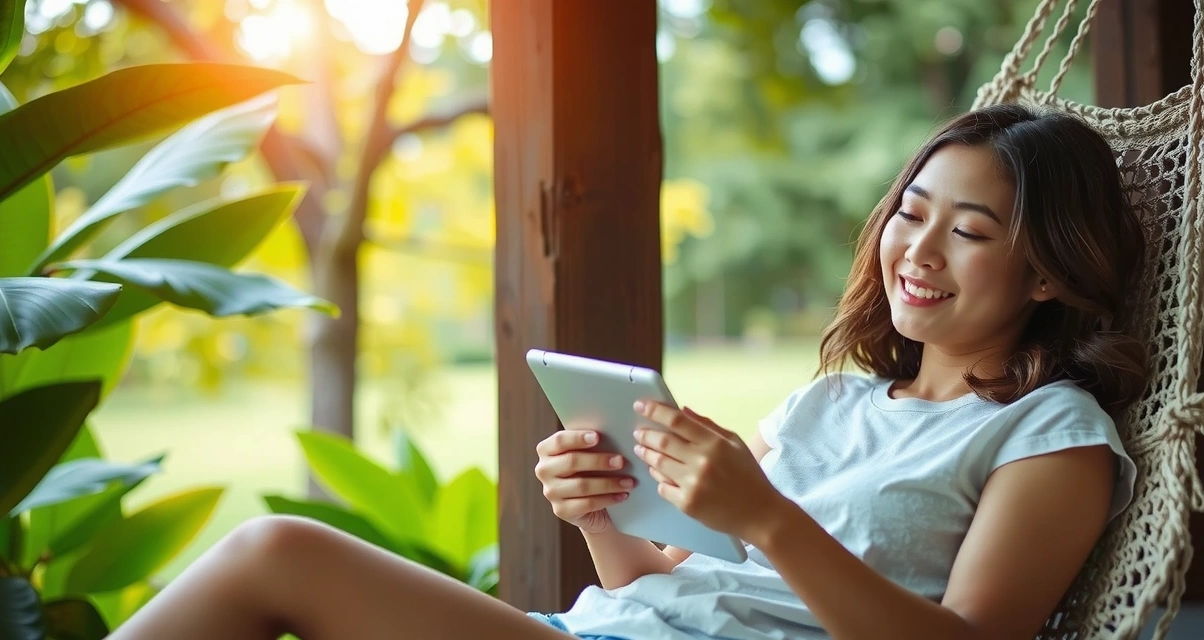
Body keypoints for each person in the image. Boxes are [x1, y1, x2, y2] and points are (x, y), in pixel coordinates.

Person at [108, 103, 1147, 640]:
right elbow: (682, 588)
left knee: (271, 554)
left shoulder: (1048, 437)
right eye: (909, 215)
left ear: (1047, 270)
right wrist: (602, 516)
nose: (916, 253)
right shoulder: (834, 398)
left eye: (966, 231)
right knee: (269, 552)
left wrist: (767, 517)